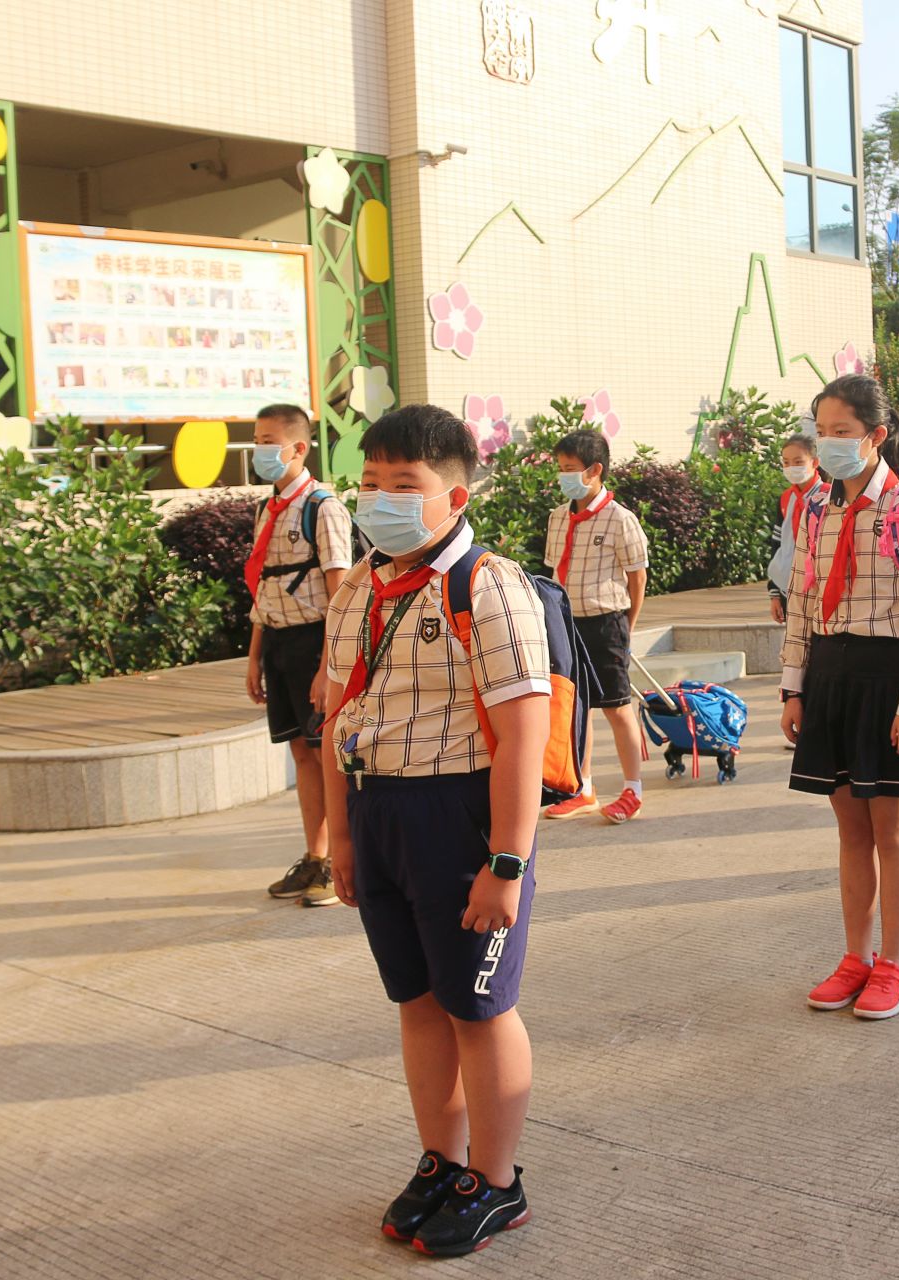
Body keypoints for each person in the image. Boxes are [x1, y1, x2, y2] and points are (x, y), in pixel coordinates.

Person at [321, 403, 548, 1257]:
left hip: (462, 817)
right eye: (371, 483)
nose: (380, 499)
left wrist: (506, 861)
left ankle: (497, 1183)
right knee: (417, 1003)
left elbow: (524, 730)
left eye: (403, 485)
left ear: (454, 497)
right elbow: (339, 713)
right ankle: (441, 1162)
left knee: (478, 1009)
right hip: (379, 812)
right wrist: (342, 835)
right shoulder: (359, 587)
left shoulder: (489, 585)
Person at [781, 374, 899, 1022]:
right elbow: (802, 602)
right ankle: (854, 958)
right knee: (849, 831)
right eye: (822, 433)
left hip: (890, 679)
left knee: (891, 832)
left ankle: (893, 964)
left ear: (877, 436)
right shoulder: (812, 509)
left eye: (842, 434)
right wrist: (794, 687)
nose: (830, 445)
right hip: (831, 677)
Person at [249, 404, 356, 909]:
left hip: (315, 642)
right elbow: (263, 590)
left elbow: (341, 593)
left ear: (298, 447)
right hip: (277, 643)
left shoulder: (323, 507)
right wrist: (254, 657)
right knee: (299, 752)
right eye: (256, 439)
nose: (260, 450)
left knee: (323, 753)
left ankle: (338, 862)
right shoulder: (267, 509)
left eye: (269, 440)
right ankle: (312, 858)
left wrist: (327, 668)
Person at [542, 430, 649, 824]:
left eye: (570, 469)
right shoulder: (558, 517)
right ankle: (582, 786)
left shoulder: (620, 519)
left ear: (595, 470)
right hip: (568, 623)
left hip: (606, 623)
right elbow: (554, 570)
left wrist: (627, 626)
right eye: (561, 469)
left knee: (617, 708)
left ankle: (632, 788)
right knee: (576, 708)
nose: (564, 477)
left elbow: (637, 577)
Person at [768, 433, 825, 625]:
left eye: (798, 461)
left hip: (820, 588)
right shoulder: (786, 498)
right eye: (786, 462)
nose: (792, 467)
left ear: (815, 462)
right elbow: (777, 546)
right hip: (789, 585)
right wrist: (774, 593)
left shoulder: (828, 496)